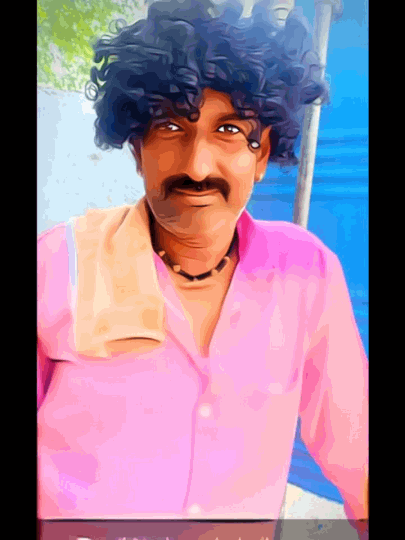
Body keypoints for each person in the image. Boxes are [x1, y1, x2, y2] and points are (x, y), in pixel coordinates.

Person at [37, 1, 368, 538]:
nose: (196, 166)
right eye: (170, 125)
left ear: (263, 155)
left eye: (230, 130)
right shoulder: (56, 264)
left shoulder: (307, 275)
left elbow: (357, 447)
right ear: (138, 147)